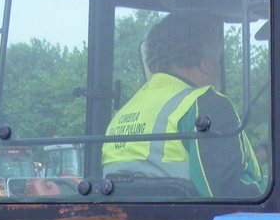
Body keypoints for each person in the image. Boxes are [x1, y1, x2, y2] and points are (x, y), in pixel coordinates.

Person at [102, 12, 264, 197]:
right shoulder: (205, 106)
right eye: (218, 61)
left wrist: (260, 156)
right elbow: (227, 194)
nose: (219, 69)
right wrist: (270, 187)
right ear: (207, 65)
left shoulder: (123, 115)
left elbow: (160, 171)